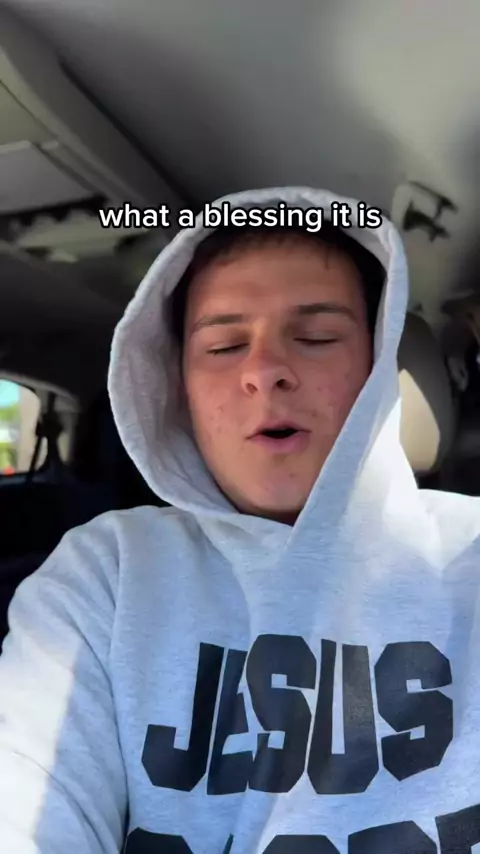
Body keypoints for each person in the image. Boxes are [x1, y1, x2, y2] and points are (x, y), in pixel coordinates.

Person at [0, 186, 479, 854]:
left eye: (315, 337)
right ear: (178, 391)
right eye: (224, 346)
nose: (265, 370)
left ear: (378, 367)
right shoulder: (104, 576)